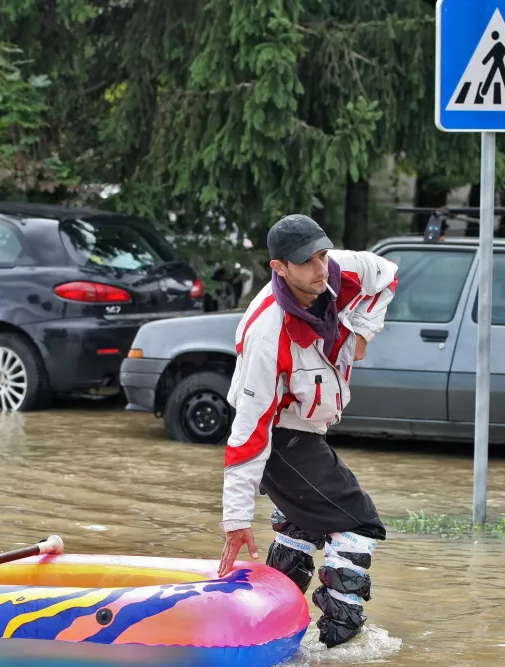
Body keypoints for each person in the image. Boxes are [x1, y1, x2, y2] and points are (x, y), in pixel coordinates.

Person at [216, 214, 399, 648]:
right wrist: (237, 520)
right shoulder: (268, 333)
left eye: (322, 255)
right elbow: (248, 432)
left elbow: (387, 277)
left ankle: (272, 628)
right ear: (279, 267)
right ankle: (340, 645)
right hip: (277, 435)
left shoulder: (343, 269)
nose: (322, 269)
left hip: (308, 429)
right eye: (308, 262)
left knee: (304, 524)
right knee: (359, 524)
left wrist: (359, 332)